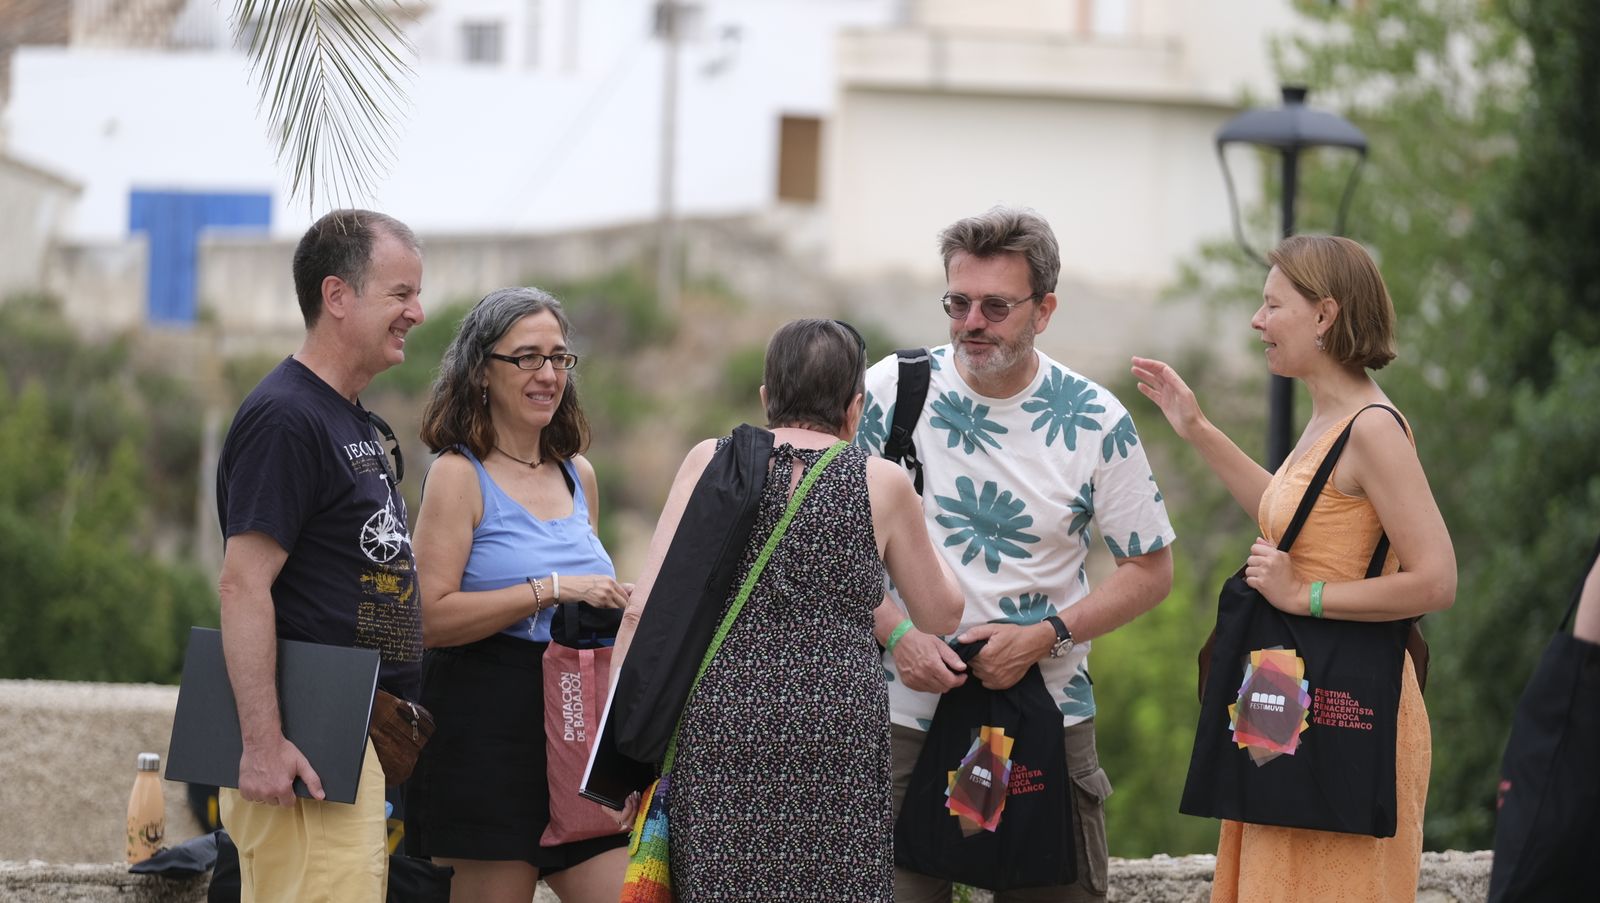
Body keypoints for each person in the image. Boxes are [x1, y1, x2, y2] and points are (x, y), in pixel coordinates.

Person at [854, 206, 1175, 903]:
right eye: (958, 302)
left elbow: (1152, 571)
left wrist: (1045, 635)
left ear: (1045, 309)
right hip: (903, 715)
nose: (973, 321)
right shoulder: (890, 390)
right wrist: (899, 635)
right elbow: (826, 547)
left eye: (996, 305)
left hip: (1046, 718)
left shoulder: (1093, 419)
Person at [1132, 234, 1456, 902]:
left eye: (1272, 304)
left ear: (1324, 314)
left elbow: (1436, 579)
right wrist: (1196, 427)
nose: (1258, 321)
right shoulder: (1328, 417)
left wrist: (1303, 594)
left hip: (1348, 706)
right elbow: (1292, 519)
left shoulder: (1373, 427)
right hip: (1290, 697)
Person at [610, 318, 964, 902]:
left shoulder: (711, 462)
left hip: (723, 730)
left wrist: (623, 757)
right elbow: (941, 614)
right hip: (837, 738)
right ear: (854, 410)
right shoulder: (881, 483)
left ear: (767, 398)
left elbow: (641, 612)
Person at [215, 209, 425, 902]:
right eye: (400, 294)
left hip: (349, 742)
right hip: (307, 749)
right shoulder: (287, 417)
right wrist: (263, 743)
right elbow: (245, 585)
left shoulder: (348, 414)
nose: (416, 312)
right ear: (338, 296)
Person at [404, 287, 632, 903]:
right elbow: (426, 619)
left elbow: (588, 588)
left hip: (574, 722)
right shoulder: (458, 474)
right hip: (482, 727)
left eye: (559, 357)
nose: (548, 374)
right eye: (527, 357)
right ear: (482, 370)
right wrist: (549, 590)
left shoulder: (577, 473)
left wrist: (614, 601)